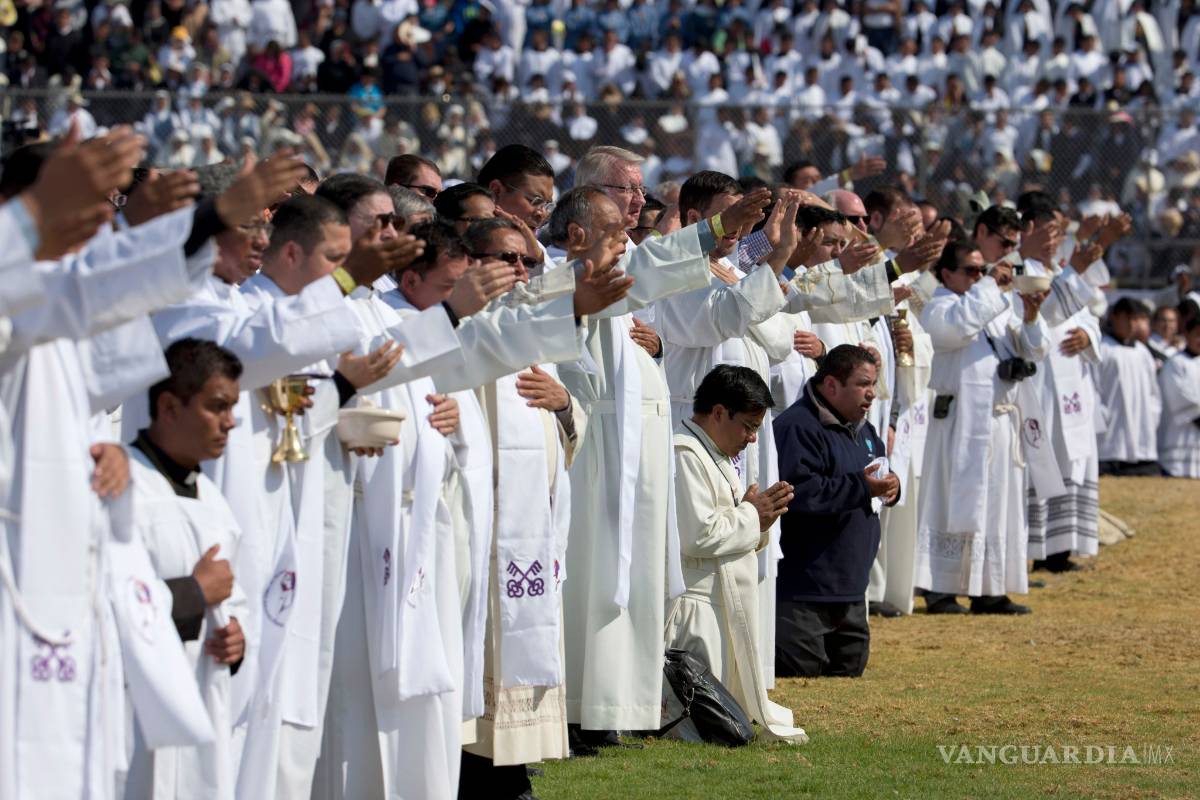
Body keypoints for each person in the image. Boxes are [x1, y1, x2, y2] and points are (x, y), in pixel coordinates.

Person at [546, 183, 768, 750]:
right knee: (591, 583)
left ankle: (615, 704)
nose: (628, 244)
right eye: (617, 232)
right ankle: (579, 709)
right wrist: (715, 233)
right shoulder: (557, 279)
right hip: (592, 463)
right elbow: (649, 270)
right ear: (576, 235)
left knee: (631, 584)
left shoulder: (605, 287)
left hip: (632, 462)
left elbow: (645, 273)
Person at [123, 338, 248, 800]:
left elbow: (237, 600)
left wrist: (237, 636)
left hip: (202, 707)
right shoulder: (123, 492)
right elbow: (101, 604)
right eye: (217, 407)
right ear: (170, 407)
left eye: (233, 407)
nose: (230, 422)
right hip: (131, 719)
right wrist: (192, 593)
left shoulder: (215, 503)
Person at [666, 364, 806, 740]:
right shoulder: (685, 453)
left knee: (733, 720)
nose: (752, 438)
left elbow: (726, 523)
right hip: (696, 610)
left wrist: (756, 521)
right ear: (718, 412)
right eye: (748, 426)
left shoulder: (714, 453)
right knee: (714, 725)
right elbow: (697, 535)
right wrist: (750, 514)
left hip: (721, 600)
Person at [916, 239, 1052, 616]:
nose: (979, 277)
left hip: (1000, 420)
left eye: (982, 270)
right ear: (947, 274)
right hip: (959, 424)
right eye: (971, 271)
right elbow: (957, 329)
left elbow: (1034, 350)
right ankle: (940, 588)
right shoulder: (939, 308)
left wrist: (1030, 316)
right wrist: (991, 283)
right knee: (950, 503)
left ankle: (990, 589)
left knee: (998, 507)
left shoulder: (992, 307)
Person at [773, 345, 899, 677]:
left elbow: (876, 477)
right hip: (803, 594)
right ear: (831, 385)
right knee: (801, 673)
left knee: (850, 671)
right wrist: (862, 487)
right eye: (863, 383)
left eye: (874, 384)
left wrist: (892, 487)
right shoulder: (797, 427)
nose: (872, 394)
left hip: (852, 591)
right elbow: (798, 493)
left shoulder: (865, 431)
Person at [1096, 298, 1163, 476]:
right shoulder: (1102, 349)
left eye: (1137, 319)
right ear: (1115, 317)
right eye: (1129, 318)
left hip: (1142, 432)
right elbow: (1093, 389)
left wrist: (1151, 416)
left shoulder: (1143, 352)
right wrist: (1102, 417)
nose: (1133, 324)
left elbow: (1153, 392)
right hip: (1110, 439)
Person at [1157, 315, 1200, 478]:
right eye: (1198, 334)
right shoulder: (1175, 364)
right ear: (1186, 334)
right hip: (1180, 444)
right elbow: (1183, 401)